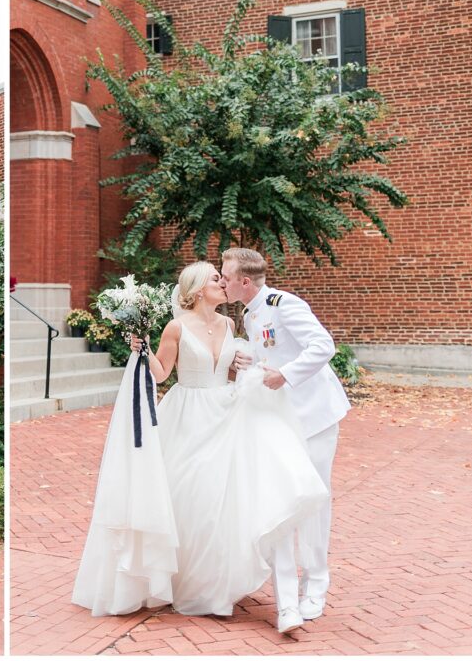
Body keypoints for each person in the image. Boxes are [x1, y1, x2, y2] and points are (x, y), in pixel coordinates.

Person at [72, 262, 328, 634]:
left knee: (221, 499)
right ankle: (183, 580)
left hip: (226, 412)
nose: (221, 283)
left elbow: (232, 368)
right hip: (187, 413)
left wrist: (247, 368)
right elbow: (161, 373)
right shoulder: (176, 327)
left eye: (222, 278)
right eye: (214, 279)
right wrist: (140, 351)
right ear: (194, 291)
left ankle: (215, 586)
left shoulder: (229, 325)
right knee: (189, 494)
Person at [221, 247, 350, 631]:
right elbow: (269, 355)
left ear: (245, 281)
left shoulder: (283, 303)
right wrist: (252, 364)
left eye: (225, 276)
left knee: (314, 500)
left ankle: (316, 584)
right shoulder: (249, 313)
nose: (222, 281)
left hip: (314, 417)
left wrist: (286, 375)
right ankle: (292, 587)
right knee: (285, 498)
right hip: (281, 418)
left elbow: (322, 346)